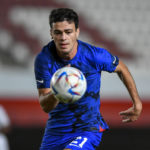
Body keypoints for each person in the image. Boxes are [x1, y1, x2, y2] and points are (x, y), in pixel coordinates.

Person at [34, 8, 142, 150]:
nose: (63, 38)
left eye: (68, 32)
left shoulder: (94, 55)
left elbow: (121, 68)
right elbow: (45, 106)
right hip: (56, 130)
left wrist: (137, 103)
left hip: (87, 128)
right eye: (58, 32)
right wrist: (58, 91)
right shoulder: (44, 60)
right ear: (51, 33)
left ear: (77, 32)